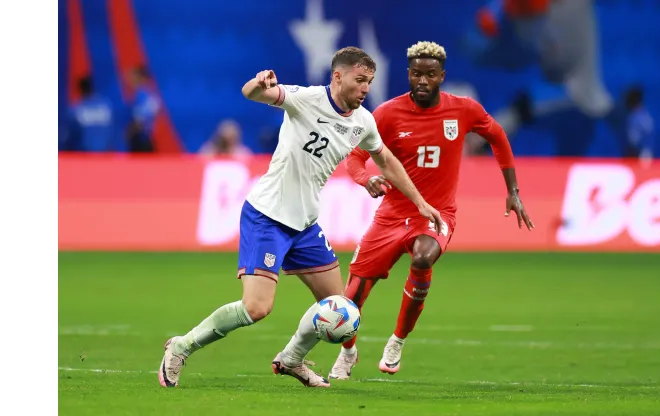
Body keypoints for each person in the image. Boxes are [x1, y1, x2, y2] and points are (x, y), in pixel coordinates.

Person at [158, 46, 443, 389]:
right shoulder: (305, 99)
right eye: (360, 80)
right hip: (268, 216)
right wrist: (258, 81)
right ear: (338, 76)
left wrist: (419, 202)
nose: (366, 88)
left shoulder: (363, 121)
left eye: (370, 81)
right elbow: (251, 93)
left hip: (305, 224)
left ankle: (291, 359)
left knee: (341, 309)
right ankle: (182, 346)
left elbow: (385, 161)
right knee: (256, 308)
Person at [328, 41, 534, 380]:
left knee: (424, 256)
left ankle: (397, 341)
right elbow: (355, 157)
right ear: (408, 74)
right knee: (352, 297)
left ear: (442, 76)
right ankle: (348, 352)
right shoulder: (387, 114)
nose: (423, 81)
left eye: (431, 75)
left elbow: (498, 136)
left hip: (435, 214)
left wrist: (512, 190)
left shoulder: (464, 110)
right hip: (391, 215)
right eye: (416, 74)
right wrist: (365, 179)